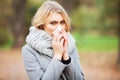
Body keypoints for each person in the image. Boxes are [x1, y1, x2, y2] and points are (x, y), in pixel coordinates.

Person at [22, 1, 84, 80]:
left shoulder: (70, 43)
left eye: (62, 22)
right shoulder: (29, 50)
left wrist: (65, 54)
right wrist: (58, 55)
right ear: (42, 25)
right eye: (53, 23)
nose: (60, 28)